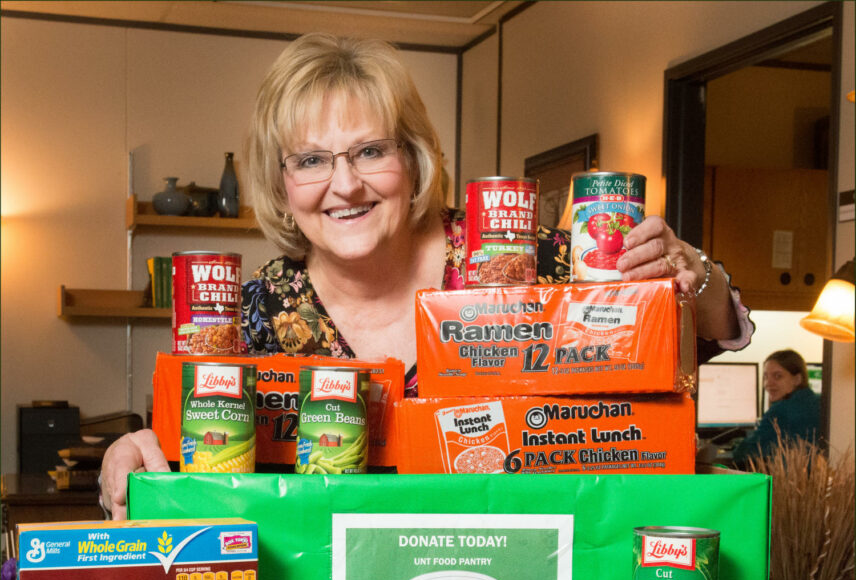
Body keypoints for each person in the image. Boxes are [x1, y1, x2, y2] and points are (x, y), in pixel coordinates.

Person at [100, 32, 754, 520]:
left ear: (413, 158)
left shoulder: (527, 262)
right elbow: (197, 453)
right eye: (311, 160)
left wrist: (697, 279)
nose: (345, 184)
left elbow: (687, 342)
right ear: (280, 181)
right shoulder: (251, 311)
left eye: (371, 150)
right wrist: (136, 456)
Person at [731, 349, 821, 468]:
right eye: (766, 377)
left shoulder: (781, 410)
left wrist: (735, 444)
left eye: (777, 376)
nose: (768, 383)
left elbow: (743, 454)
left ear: (797, 379)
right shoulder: (819, 401)